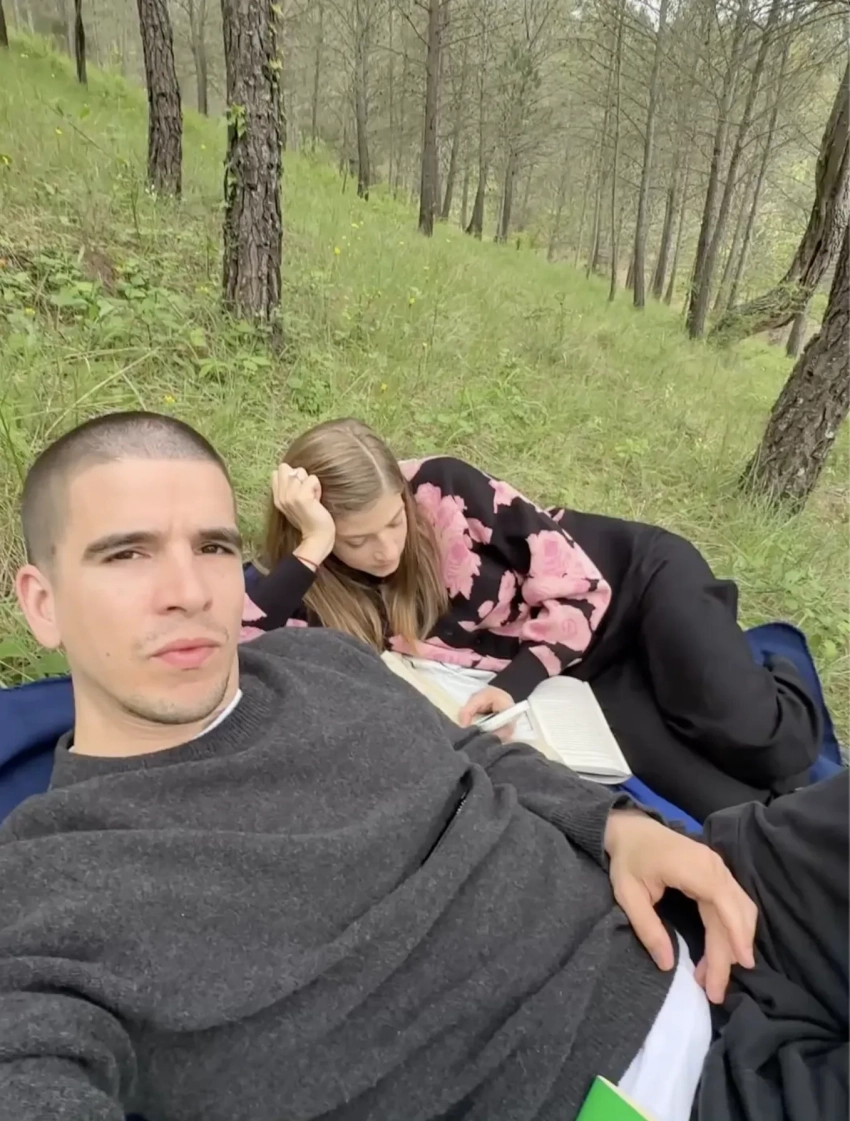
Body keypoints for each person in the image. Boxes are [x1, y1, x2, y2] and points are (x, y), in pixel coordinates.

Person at [0, 410, 844, 1121]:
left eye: (214, 547)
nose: (189, 591)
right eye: (127, 553)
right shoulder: (48, 897)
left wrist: (618, 824)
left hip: (708, 897)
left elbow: (464, 748)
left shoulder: (318, 660)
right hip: (669, 1091)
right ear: (42, 601)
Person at [244, 418, 821, 820]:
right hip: (581, 677)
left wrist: (514, 682)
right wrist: (314, 543)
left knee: (764, 742)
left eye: (394, 522)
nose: (386, 549)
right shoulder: (314, 582)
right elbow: (247, 648)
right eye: (356, 540)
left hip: (631, 590)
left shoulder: (445, 489)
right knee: (724, 805)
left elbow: (580, 587)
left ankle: (779, 666)